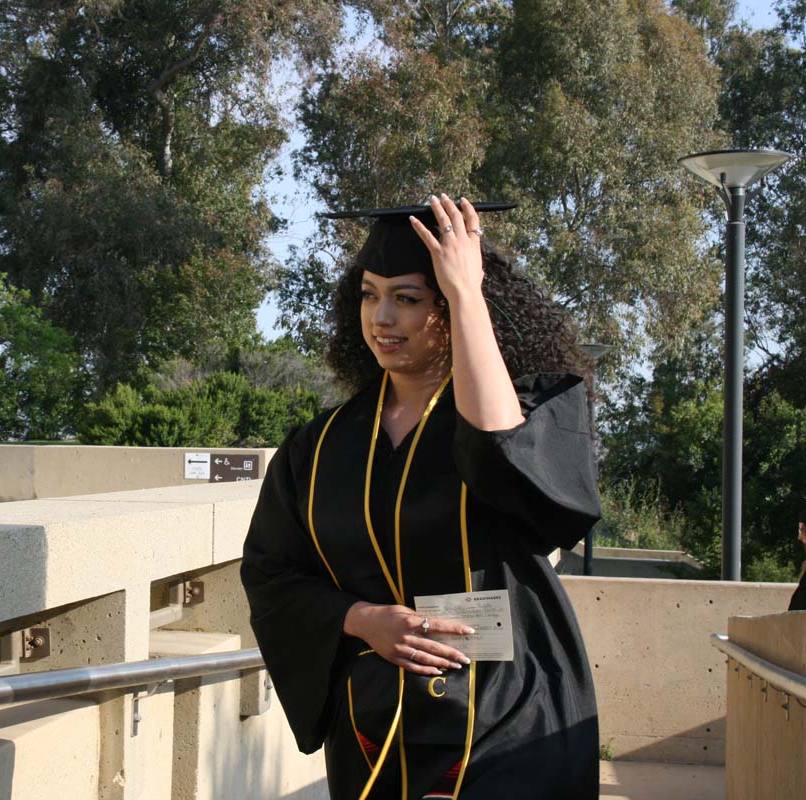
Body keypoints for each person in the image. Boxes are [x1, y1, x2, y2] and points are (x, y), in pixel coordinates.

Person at [241, 194, 602, 800]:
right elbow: (272, 571)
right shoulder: (321, 446)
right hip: (376, 722)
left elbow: (502, 453)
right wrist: (362, 620)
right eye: (368, 294)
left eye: (407, 299)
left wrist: (466, 291)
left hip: (508, 707)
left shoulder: (534, 411)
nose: (381, 317)